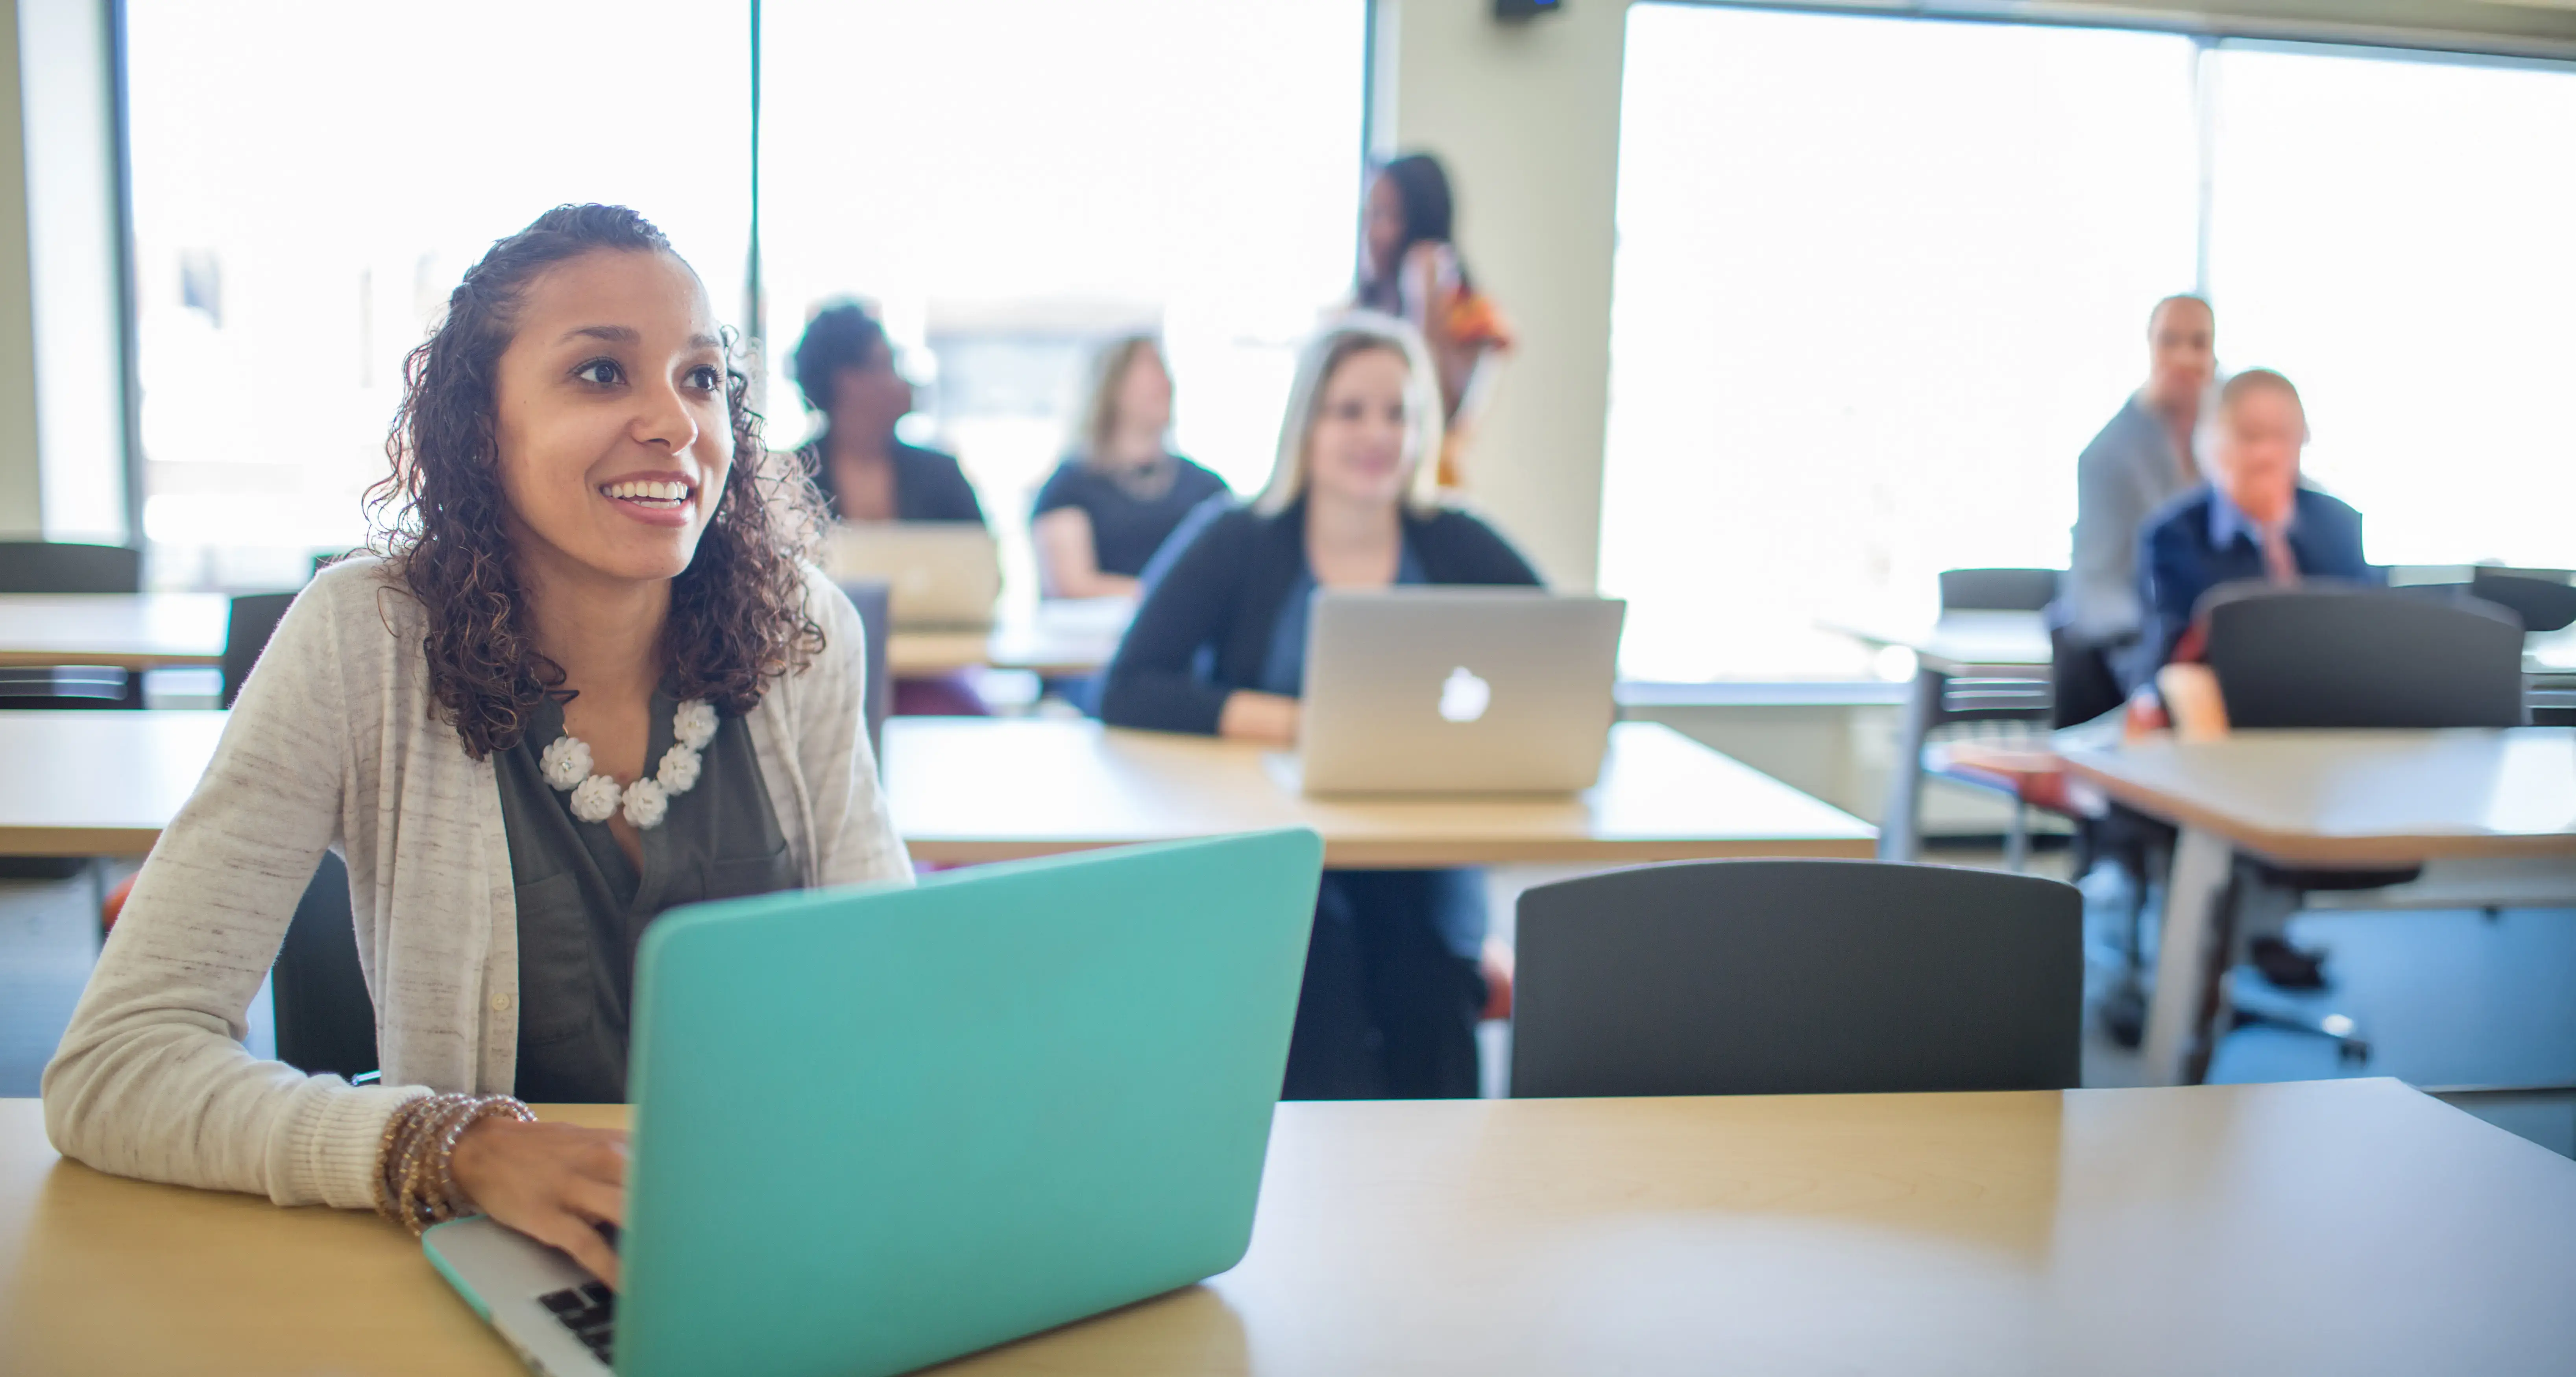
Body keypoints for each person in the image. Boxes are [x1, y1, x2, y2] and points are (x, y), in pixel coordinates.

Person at [43, 205, 909, 1288]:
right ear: (478, 425)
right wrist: (447, 1144)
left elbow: (892, 1003)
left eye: (699, 378)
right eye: (600, 374)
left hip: (781, 1244)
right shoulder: (368, 640)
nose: (675, 423)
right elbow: (116, 1064)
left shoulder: (802, 634)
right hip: (500, 1267)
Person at [1098, 313, 1540, 1099]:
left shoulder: (1454, 540)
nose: (1377, 434)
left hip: (1424, 836)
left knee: (1433, 982)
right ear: (1307, 424)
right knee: (1314, 976)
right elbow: (1130, 685)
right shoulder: (1241, 536)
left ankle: (1441, 1201)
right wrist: (1305, 723)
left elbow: (1566, 663)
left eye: (1398, 413)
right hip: (1281, 835)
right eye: (1351, 411)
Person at [2133, 366, 2380, 681]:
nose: (2267, 454)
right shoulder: (2173, 538)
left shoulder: (2339, 525)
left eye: (2281, 436)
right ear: (2211, 442)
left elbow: (2370, 635)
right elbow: (2165, 662)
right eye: (2250, 436)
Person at [2052, 293, 2216, 725]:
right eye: (2170, 341)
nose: (2184, 357)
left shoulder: (2229, 444)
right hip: (2138, 648)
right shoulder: (2107, 457)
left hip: (2218, 647)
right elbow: (2097, 588)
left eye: (2199, 343)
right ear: (2150, 347)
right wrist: (2171, 633)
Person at [1355, 153, 1512, 491]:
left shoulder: (1474, 318)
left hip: (1427, 494)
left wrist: (1423, 302)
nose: (1370, 233)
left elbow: (1438, 416)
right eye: (1368, 215)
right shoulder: (1356, 313)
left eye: (1386, 216)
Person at [1030, 336, 1229, 599]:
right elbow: (1071, 585)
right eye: (1149, 370)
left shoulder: (1206, 487)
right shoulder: (1071, 487)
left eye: (1164, 372)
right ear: (1112, 387)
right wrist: (1167, 598)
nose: (1163, 382)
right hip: (1094, 634)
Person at [788, 299, 985, 526]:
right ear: (847, 382)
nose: (905, 382)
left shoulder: (942, 476)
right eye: (888, 365)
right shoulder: (791, 479)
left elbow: (980, 557)